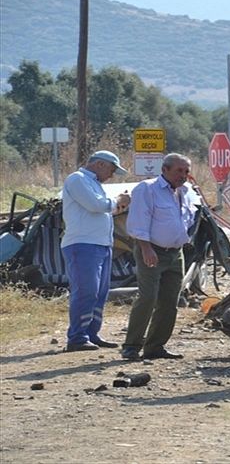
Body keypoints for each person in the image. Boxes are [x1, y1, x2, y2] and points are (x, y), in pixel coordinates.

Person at [122, 153, 196, 360]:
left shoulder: (186, 191)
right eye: (178, 171)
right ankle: (132, 345)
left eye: (186, 171)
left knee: (170, 301)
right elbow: (139, 221)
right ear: (164, 170)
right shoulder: (147, 189)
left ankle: (155, 346)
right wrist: (146, 248)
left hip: (176, 253)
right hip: (152, 250)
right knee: (148, 297)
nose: (183, 175)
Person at [61, 151, 130, 352]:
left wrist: (115, 204)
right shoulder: (77, 179)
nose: (112, 174)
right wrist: (118, 200)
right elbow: (97, 205)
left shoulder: (95, 184)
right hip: (82, 244)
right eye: (112, 169)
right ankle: (77, 337)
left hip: (100, 244)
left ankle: (91, 333)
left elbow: (104, 208)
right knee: (86, 290)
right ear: (100, 164)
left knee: (100, 292)